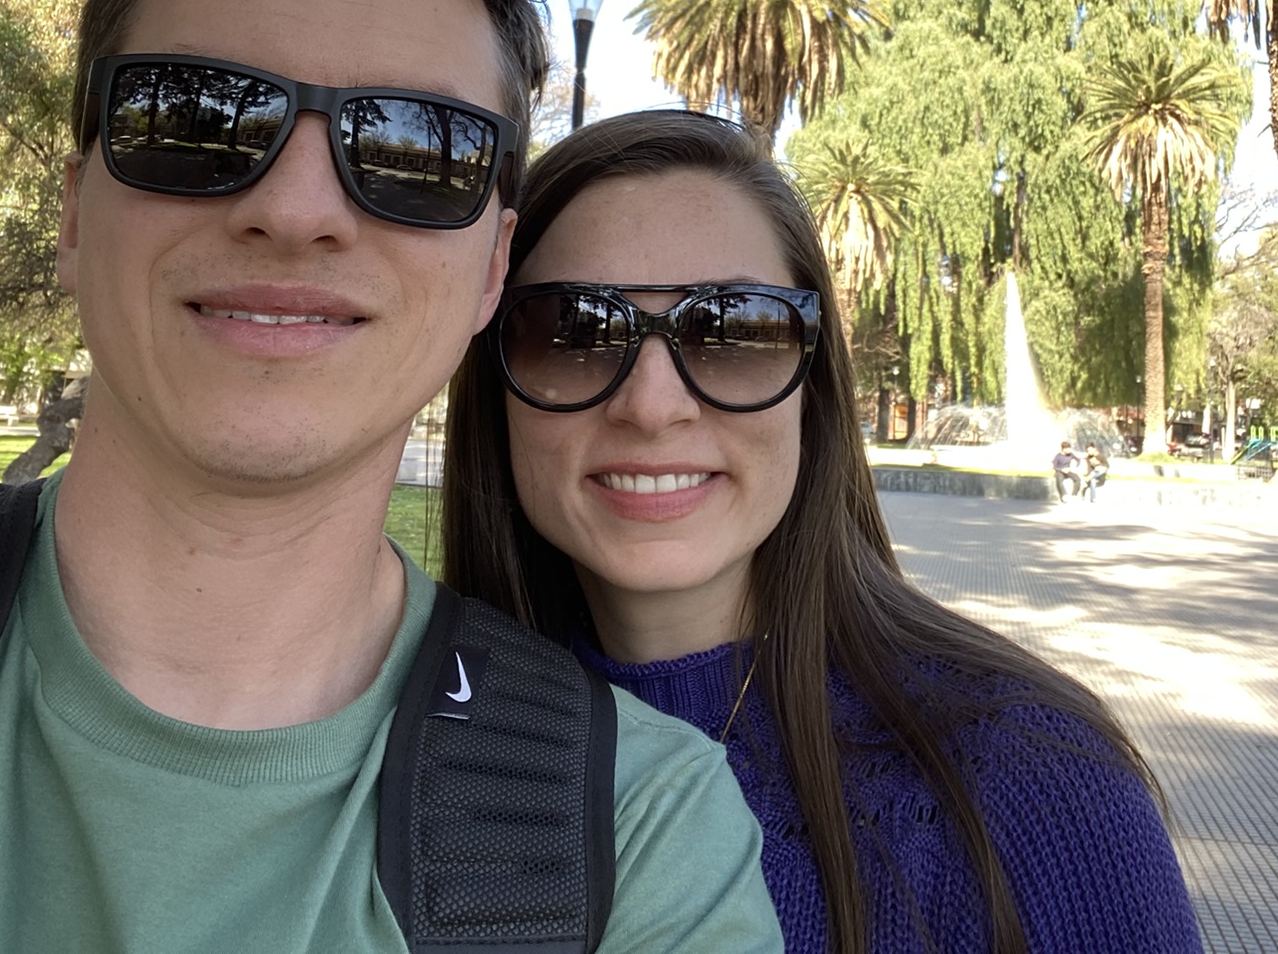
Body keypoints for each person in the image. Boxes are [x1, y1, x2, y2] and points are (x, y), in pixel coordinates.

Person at [0, 0, 780, 952]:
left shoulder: (635, 839)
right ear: (74, 212)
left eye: (415, 149)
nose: (295, 207)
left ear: (491, 269)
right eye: (194, 119)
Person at [443, 110, 1202, 954]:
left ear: (816, 389)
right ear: (493, 381)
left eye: (734, 329)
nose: (652, 407)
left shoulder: (1034, 782)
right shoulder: (406, 753)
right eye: (573, 330)